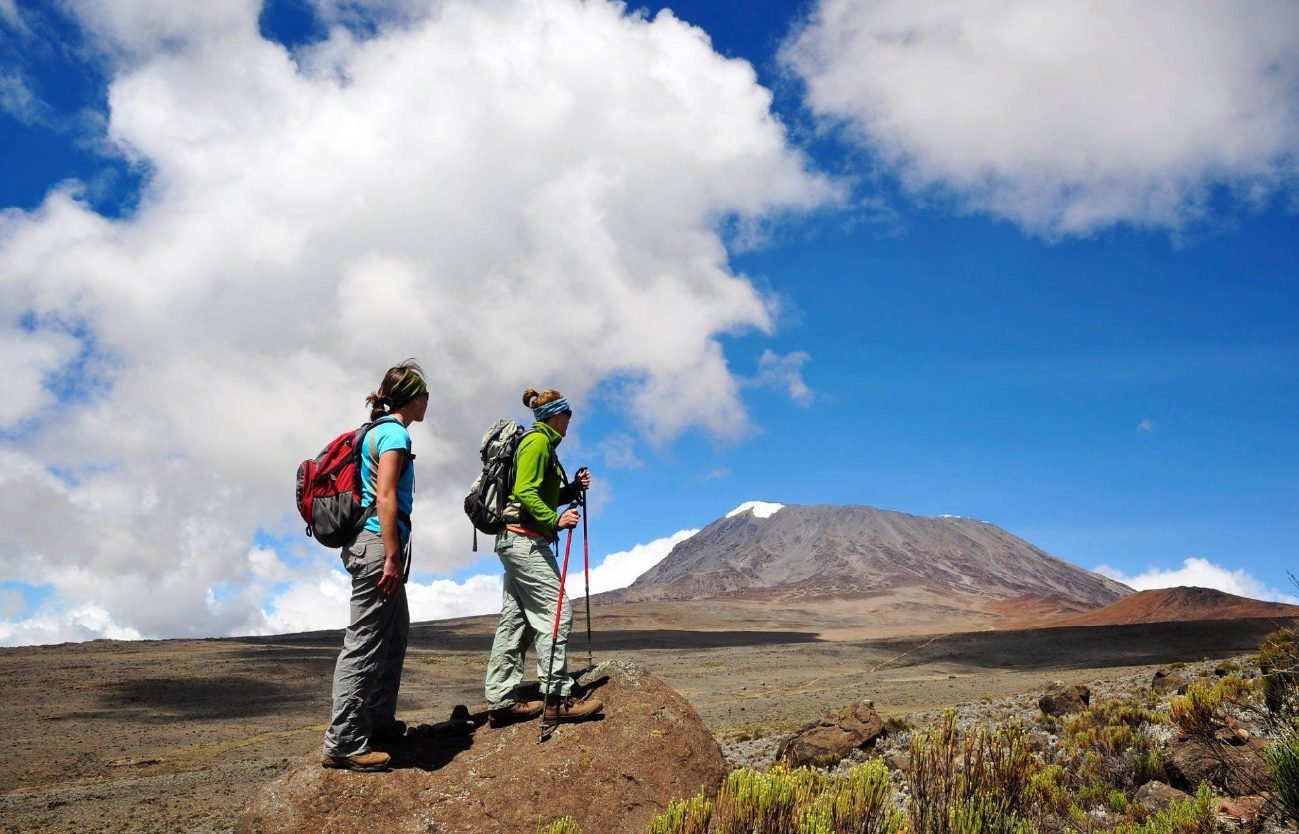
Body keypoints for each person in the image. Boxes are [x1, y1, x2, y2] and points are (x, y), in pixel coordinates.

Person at [322, 360, 429, 771]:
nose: (427, 401)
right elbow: (385, 496)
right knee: (364, 642)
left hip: (370, 543)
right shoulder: (394, 434)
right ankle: (345, 742)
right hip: (375, 546)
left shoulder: (376, 431)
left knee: (394, 632)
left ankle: (378, 721)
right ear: (412, 397)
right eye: (425, 394)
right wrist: (389, 555)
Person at [484, 387, 603, 728]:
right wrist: (555, 520)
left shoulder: (542, 445)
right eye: (568, 415)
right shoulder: (537, 443)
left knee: (517, 622)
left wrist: (570, 491)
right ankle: (557, 699)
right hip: (526, 542)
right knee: (557, 612)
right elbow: (524, 492)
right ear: (556, 414)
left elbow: (537, 492)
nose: (570, 421)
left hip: (516, 541)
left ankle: (501, 700)